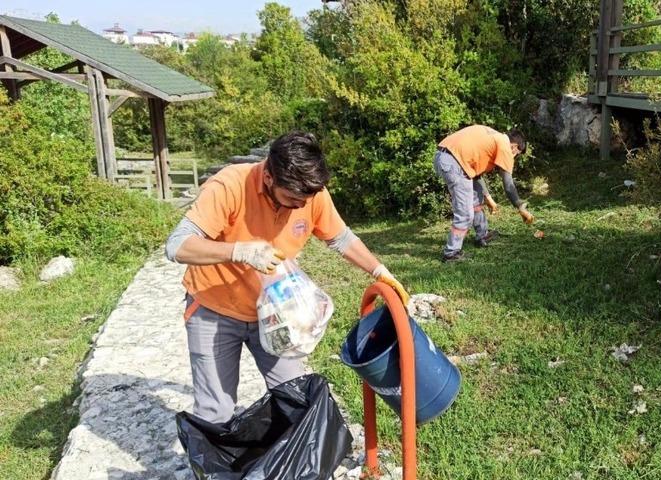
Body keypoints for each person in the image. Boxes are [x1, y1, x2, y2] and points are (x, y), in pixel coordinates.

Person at [165, 131, 408, 423]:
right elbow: (177, 245)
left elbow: (341, 238)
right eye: (292, 198)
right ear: (268, 177)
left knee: (293, 396)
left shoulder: (310, 195)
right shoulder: (229, 185)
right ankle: (218, 468)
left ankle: (291, 465)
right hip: (215, 310)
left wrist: (379, 271)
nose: (302, 207)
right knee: (216, 410)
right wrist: (239, 251)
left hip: (276, 313)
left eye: (307, 199)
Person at [434, 125, 535, 262]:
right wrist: (521, 207)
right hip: (454, 163)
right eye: (517, 154)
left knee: (476, 198)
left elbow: (476, 175)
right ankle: (451, 253)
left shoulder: (494, 137)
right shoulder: (505, 146)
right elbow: (508, 185)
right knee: (465, 213)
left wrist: (488, 198)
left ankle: (482, 235)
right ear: (514, 147)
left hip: (449, 157)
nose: (514, 157)